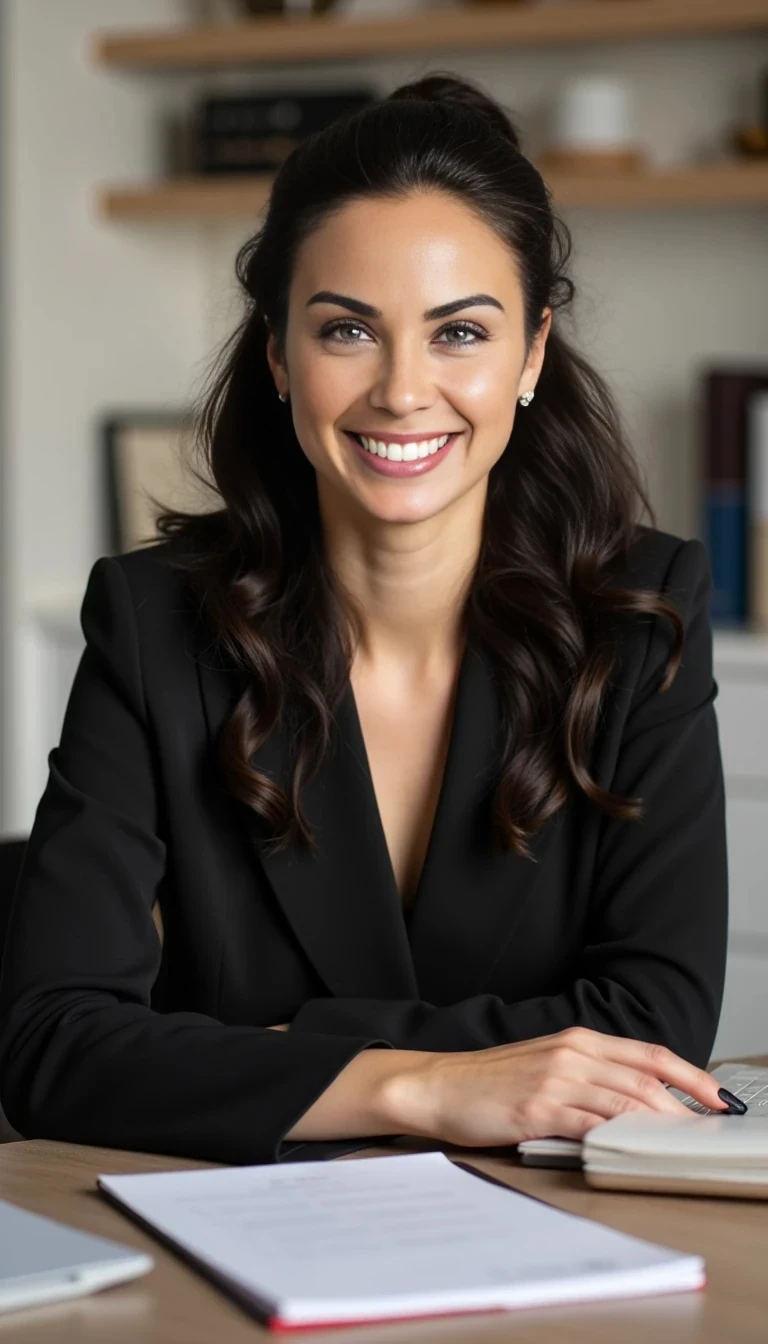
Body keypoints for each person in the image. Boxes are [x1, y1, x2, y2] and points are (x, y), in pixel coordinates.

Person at [0, 75, 730, 1167]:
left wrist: (292, 1050)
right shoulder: (153, 625)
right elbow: (52, 1046)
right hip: (231, 1236)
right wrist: (426, 1088)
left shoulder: (644, 616)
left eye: (459, 333)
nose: (401, 390)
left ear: (530, 354)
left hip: (559, 1247)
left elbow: (655, 1027)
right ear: (277, 354)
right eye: (348, 330)